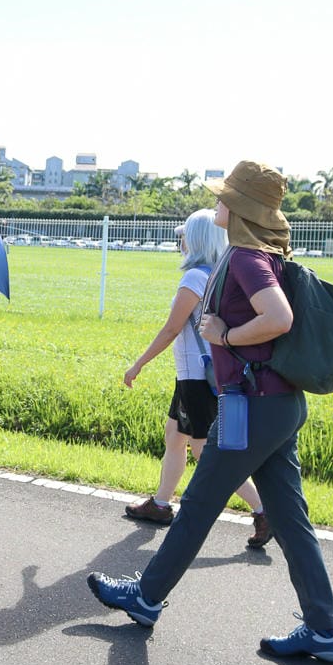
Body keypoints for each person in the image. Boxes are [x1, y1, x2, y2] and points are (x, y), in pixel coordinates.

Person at [87, 161, 333, 664]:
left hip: (249, 406)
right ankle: (324, 630)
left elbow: (279, 318)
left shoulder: (248, 257)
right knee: (291, 521)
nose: (216, 205)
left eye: (224, 198)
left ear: (241, 209)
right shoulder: (261, 254)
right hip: (279, 404)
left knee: (201, 502)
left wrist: (223, 336)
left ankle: (145, 598)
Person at [123, 210, 271, 549]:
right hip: (204, 375)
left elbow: (173, 328)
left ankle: (264, 510)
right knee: (175, 437)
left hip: (195, 377)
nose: (181, 242)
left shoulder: (193, 279)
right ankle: (160, 504)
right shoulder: (219, 275)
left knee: (206, 452)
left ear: (197, 240)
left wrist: (138, 364)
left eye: (184, 236)